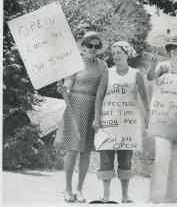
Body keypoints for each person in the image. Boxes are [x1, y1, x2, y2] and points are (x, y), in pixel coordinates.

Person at [92, 41, 150, 203]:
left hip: (127, 124)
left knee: (125, 159)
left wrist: (148, 112)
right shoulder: (107, 73)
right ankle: (106, 195)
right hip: (108, 122)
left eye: (119, 52)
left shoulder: (136, 74)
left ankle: (125, 196)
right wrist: (97, 117)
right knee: (106, 159)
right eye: (114, 53)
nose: (115, 56)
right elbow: (99, 97)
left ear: (127, 54)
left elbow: (144, 97)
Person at [55, 31, 109, 203]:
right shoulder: (74, 64)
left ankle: (79, 189)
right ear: (83, 46)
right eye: (89, 45)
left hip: (93, 109)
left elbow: (102, 92)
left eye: (96, 46)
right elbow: (68, 87)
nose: (92, 49)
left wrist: (98, 116)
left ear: (99, 48)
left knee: (86, 151)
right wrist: (64, 90)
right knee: (72, 149)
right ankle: (68, 189)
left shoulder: (103, 66)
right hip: (75, 108)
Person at [147, 34, 177, 203]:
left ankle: (173, 199)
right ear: (169, 50)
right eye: (174, 48)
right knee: (161, 158)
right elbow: (151, 77)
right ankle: (155, 198)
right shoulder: (163, 66)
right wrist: (152, 66)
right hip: (163, 120)